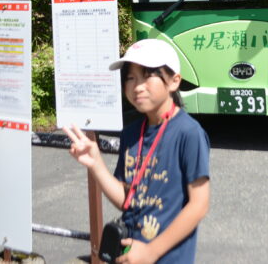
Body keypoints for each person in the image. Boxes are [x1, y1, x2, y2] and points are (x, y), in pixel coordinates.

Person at [63, 39, 210, 264]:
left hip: (168, 258)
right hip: (129, 255)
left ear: (174, 81)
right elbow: (127, 200)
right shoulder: (132, 134)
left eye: (148, 75)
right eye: (130, 78)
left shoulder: (189, 133)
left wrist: (153, 251)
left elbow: (199, 205)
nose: (137, 86)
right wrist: (96, 164)